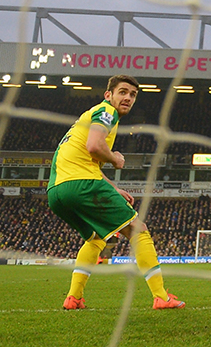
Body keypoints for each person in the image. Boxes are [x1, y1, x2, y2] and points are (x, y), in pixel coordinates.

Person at [46, 75, 184, 310]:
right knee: (138, 229)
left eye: (132, 95)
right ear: (108, 95)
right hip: (82, 185)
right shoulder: (106, 112)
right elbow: (94, 147)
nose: (128, 98)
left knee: (96, 238)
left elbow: (85, 159)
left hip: (56, 192)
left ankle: (74, 297)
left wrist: (113, 188)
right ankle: (161, 296)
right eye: (123, 92)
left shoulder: (88, 117)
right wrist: (115, 159)